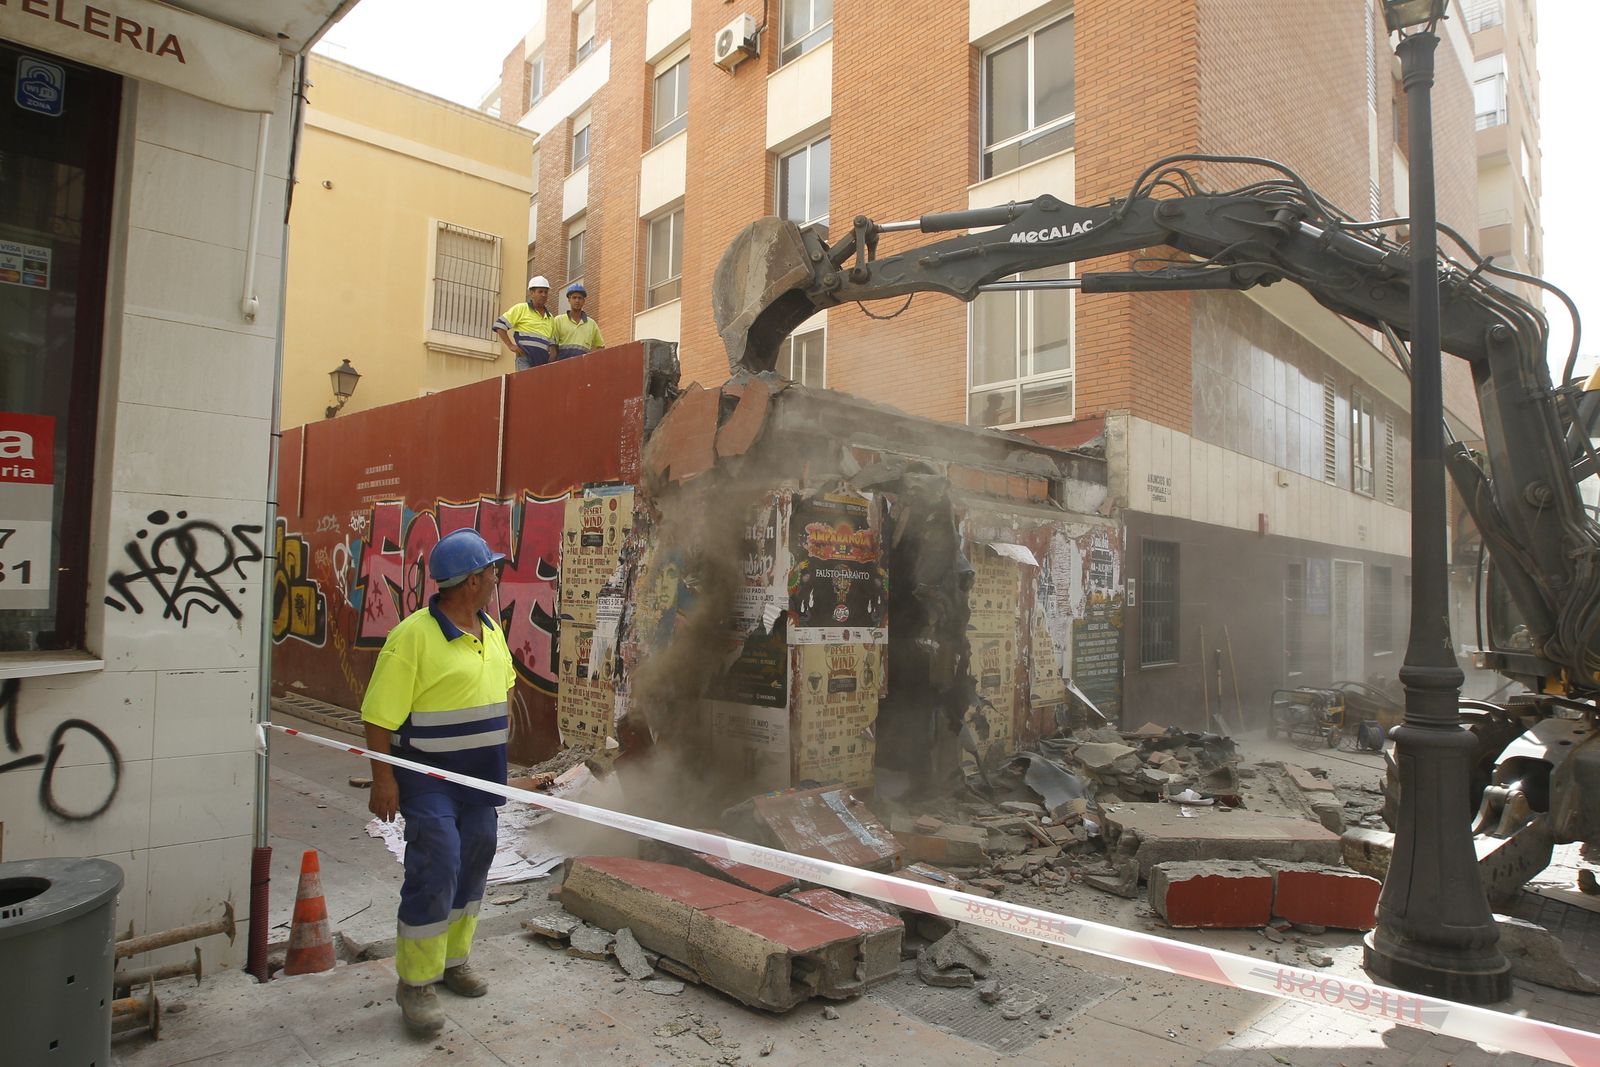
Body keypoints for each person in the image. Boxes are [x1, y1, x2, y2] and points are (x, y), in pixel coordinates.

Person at [360, 529, 514, 1037]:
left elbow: (504, 689)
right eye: (491, 569)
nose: (496, 576)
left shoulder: (491, 629)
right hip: (428, 781)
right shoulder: (413, 637)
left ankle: (453, 960)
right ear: (472, 581)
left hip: (480, 780)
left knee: (477, 854)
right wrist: (383, 779)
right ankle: (417, 982)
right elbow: (378, 717)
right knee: (438, 860)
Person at [493, 276, 558, 369]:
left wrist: (553, 354)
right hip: (525, 359)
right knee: (525, 383)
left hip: (543, 362)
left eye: (546, 292)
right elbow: (499, 325)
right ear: (532, 293)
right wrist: (510, 345)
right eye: (540, 291)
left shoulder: (550, 317)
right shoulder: (521, 308)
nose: (544, 295)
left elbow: (552, 342)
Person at [552, 282, 605, 359]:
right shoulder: (558, 320)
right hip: (562, 366)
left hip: (583, 368)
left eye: (580, 298)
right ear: (569, 300)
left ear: (584, 301)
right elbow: (553, 346)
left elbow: (600, 347)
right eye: (574, 297)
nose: (577, 300)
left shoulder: (591, 324)